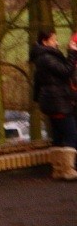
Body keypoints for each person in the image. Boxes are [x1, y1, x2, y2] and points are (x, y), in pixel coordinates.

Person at [30, 30, 77, 180]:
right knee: (71, 134)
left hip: (51, 100)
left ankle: (58, 169)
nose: (56, 42)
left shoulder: (41, 58)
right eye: (53, 40)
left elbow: (38, 83)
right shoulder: (47, 58)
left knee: (58, 135)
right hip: (58, 100)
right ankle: (67, 169)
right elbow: (66, 71)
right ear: (45, 41)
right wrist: (72, 53)